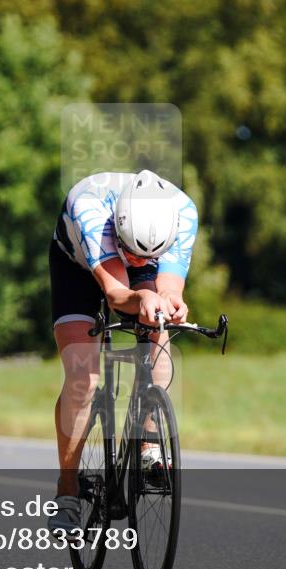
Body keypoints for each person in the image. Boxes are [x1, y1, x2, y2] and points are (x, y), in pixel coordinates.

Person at [47, 170, 197, 532]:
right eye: (130, 250)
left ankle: (148, 445)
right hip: (79, 265)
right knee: (83, 376)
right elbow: (116, 295)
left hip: (148, 255)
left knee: (158, 332)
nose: (134, 258)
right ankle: (68, 490)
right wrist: (141, 295)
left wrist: (170, 302)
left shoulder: (183, 213)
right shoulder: (90, 210)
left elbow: (169, 286)